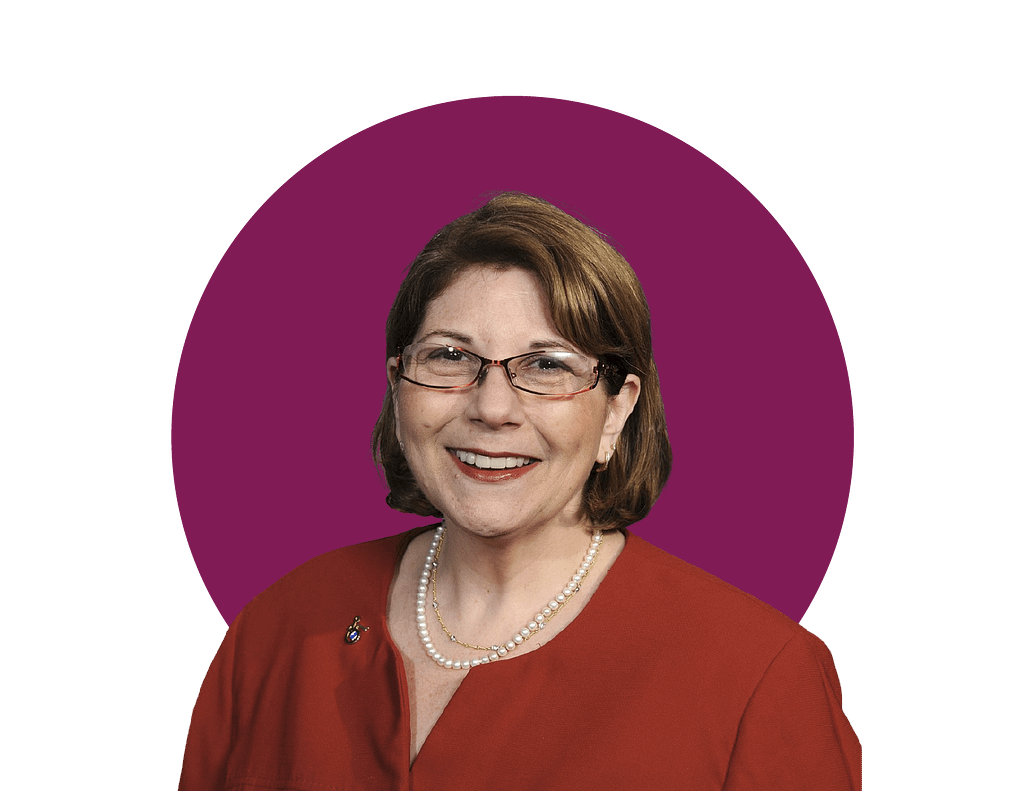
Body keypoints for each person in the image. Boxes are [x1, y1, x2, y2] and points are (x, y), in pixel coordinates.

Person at [179, 192, 862, 790]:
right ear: (398, 387)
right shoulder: (278, 628)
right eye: (449, 355)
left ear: (617, 409)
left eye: (546, 364)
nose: (493, 407)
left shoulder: (757, 677)